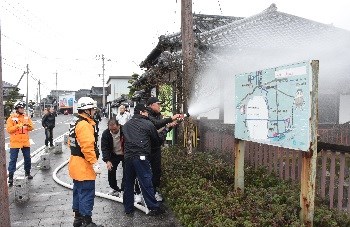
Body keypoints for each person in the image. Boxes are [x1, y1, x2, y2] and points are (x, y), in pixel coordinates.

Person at [122, 103, 169, 216]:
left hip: (128, 158)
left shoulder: (127, 125)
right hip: (141, 157)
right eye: (146, 112)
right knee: (146, 181)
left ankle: (128, 208)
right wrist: (166, 129)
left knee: (128, 183)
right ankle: (153, 207)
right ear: (141, 112)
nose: (148, 114)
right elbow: (157, 141)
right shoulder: (148, 124)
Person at [68, 97, 103, 227]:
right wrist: (94, 163)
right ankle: (86, 222)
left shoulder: (75, 122)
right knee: (87, 193)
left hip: (75, 163)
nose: (94, 111)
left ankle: (78, 219)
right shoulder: (84, 125)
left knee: (78, 192)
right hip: (84, 165)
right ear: (86, 109)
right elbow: (87, 147)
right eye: (92, 109)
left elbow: (70, 143)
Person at [146, 97, 180, 201]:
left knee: (157, 171)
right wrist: (171, 118)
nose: (160, 106)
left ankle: (154, 191)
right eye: (158, 104)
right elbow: (156, 125)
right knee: (145, 171)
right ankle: (140, 193)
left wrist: (170, 126)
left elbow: (161, 130)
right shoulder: (147, 115)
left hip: (156, 147)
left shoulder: (158, 116)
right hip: (147, 148)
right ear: (151, 105)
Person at [6, 101, 35, 186]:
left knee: (27, 158)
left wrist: (28, 126)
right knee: (13, 160)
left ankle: (27, 173)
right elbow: (9, 130)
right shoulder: (11, 118)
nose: (23, 109)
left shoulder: (26, 117)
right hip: (15, 142)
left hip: (25, 142)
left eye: (23, 108)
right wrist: (18, 126)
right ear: (17, 109)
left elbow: (32, 127)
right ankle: (11, 177)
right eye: (21, 108)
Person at [101, 119, 124, 197]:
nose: (113, 131)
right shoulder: (106, 133)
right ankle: (114, 188)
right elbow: (104, 148)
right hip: (114, 154)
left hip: (125, 154)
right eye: (111, 130)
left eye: (115, 129)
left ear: (119, 126)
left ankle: (124, 189)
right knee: (111, 171)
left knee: (128, 171)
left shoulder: (125, 130)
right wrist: (107, 160)